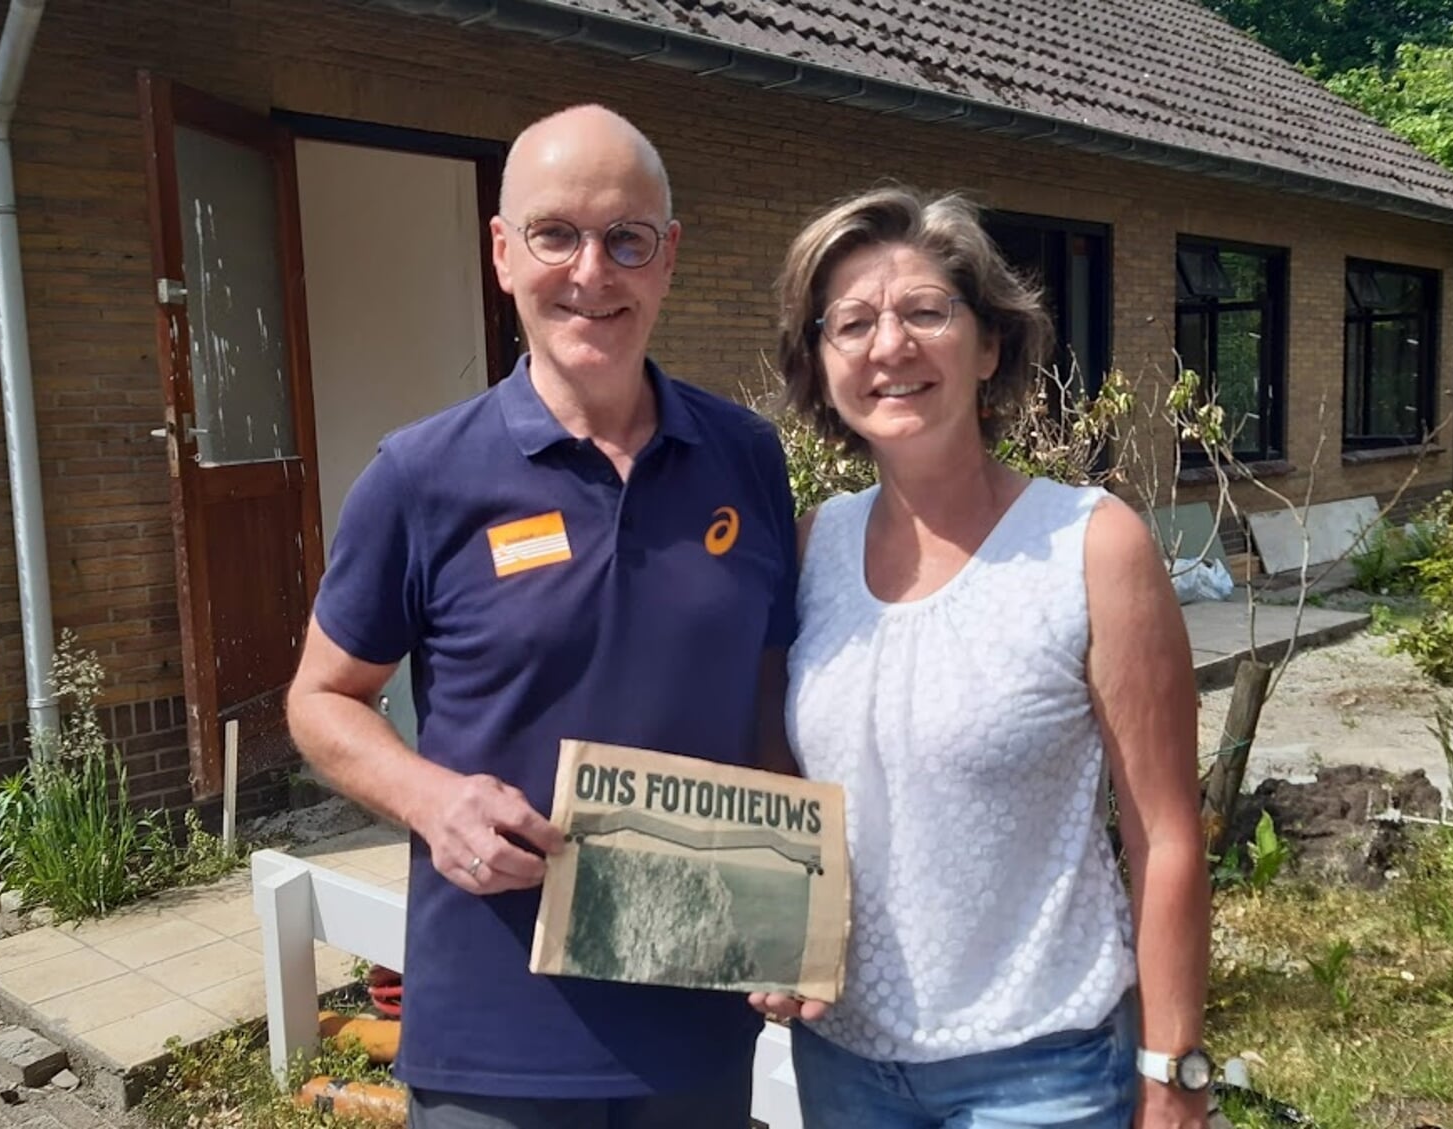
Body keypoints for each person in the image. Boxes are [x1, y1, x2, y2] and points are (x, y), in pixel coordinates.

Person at [286, 104, 799, 1129]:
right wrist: (433, 800)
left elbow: (767, 711)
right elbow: (320, 699)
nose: (591, 274)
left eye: (627, 240)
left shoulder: (745, 457)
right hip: (495, 1028)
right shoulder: (421, 476)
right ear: (503, 252)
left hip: (696, 1004)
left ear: (668, 258)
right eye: (555, 234)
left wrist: (791, 915)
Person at [752, 187, 1211, 1129]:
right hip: (843, 1060)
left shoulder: (1091, 545)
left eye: (927, 311)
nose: (891, 346)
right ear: (822, 362)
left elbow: (1165, 833)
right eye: (853, 322)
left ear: (990, 344)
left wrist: (1172, 1073)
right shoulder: (809, 548)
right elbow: (784, 782)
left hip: (1036, 1071)